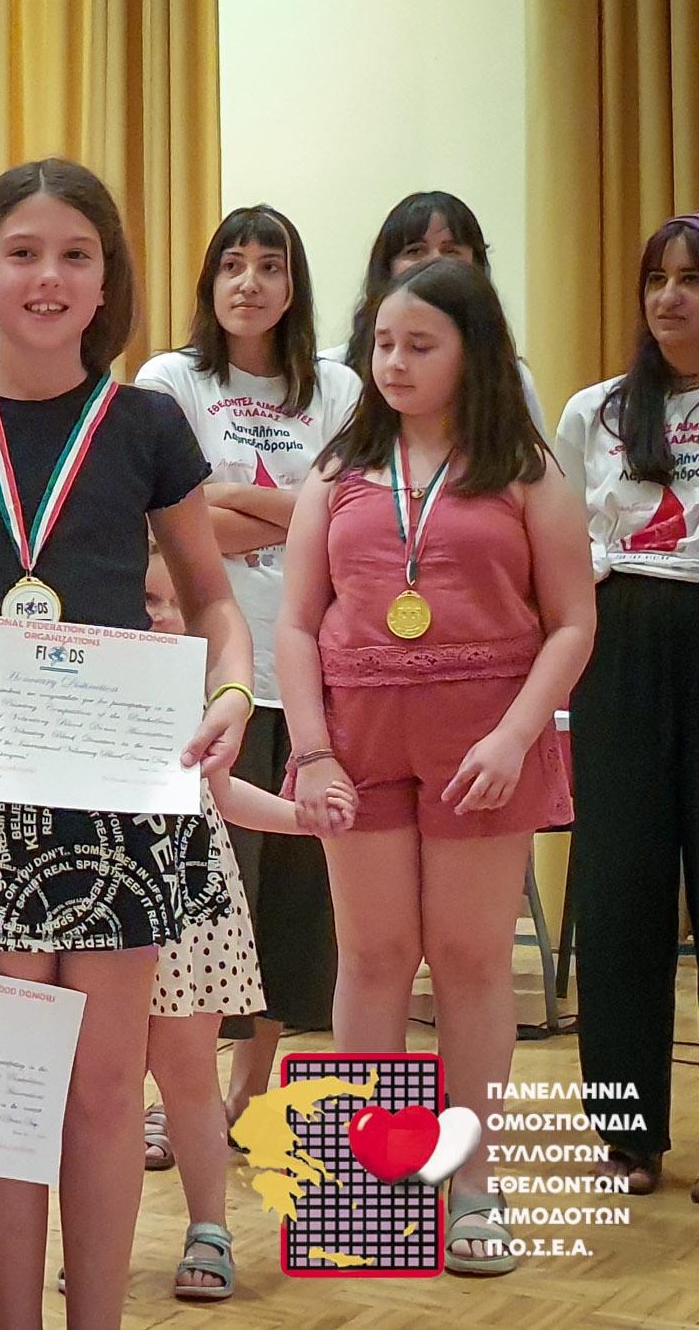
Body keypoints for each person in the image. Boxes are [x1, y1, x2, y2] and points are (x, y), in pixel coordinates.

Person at [0, 157, 252, 1330]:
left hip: (119, 794)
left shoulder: (146, 425)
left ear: (104, 279)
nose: (48, 276)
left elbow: (212, 596)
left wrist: (231, 690)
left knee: (101, 1088)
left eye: (74, 255)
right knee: (5, 1091)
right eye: (23, 253)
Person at [277, 257, 595, 1274]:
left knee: (468, 961)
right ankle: (371, 1187)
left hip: (482, 746)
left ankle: (470, 1184)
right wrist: (312, 752)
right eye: (381, 344)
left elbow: (572, 622)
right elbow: (295, 623)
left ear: (473, 352)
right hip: (357, 742)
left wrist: (515, 735)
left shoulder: (525, 468)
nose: (394, 363)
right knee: (372, 958)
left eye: (420, 345)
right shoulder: (337, 469)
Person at [134, 205, 360, 1152]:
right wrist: (291, 509)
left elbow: (346, 521)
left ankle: (249, 1089)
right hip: (197, 672)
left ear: (294, 285)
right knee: (189, 896)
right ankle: (169, 1092)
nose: (250, 282)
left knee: (288, 900)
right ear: (209, 280)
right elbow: (167, 523)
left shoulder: (339, 388)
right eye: (232, 263)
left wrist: (226, 501)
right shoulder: (171, 380)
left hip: (305, 671)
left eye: (271, 265)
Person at [554, 213, 699, 1198]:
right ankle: (625, 1131)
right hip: (619, 646)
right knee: (617, 890)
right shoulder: (595, 411)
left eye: (689, 279)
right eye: (655, 279)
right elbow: (561, 540)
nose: (668, 297)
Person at [326, 191, 547, 434]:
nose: (434, 262)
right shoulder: (335, 373)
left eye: (450, 251)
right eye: (415, 251)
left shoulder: (510, 376)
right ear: (386, 267)